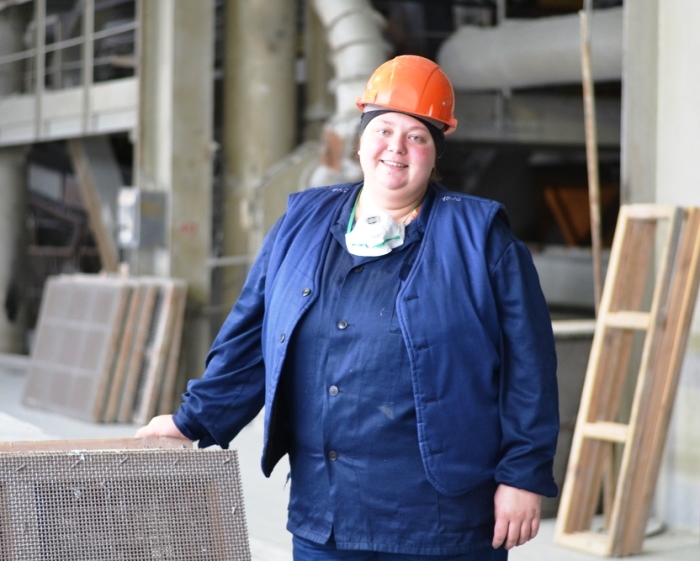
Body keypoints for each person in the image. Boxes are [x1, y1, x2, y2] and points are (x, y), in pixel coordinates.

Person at [137, 54, 559, 561]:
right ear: (360, 141)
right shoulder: (301, 225)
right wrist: (191, 421)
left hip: (443, 520)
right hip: (327, 513)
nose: (396, 147)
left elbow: (529, 367)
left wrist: (522, 475)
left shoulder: (481, 240)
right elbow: (250, 341)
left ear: (435, 153)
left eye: (417, 136)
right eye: (383, 130)